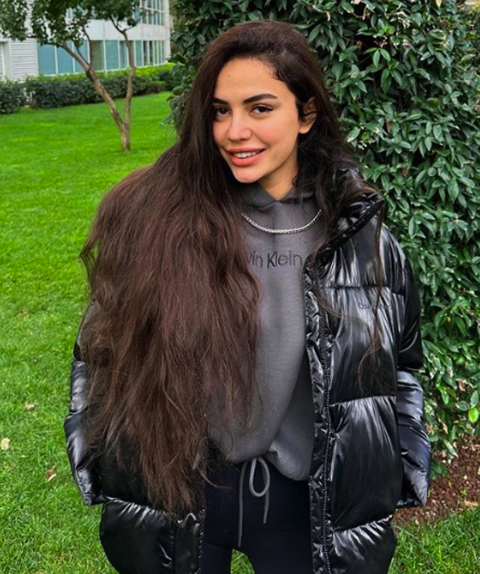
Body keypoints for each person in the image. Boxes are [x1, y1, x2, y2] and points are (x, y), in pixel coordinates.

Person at [64, 20, 431, 574]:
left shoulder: (358, 236)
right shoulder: (156, 219)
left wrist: (402, 458)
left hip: (302, 508)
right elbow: (98, 350)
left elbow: (400, 365)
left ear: (306, 114)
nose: (234, 131)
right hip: (179, 495)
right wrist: (93, 449)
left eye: (259, 108)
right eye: (220, 110)